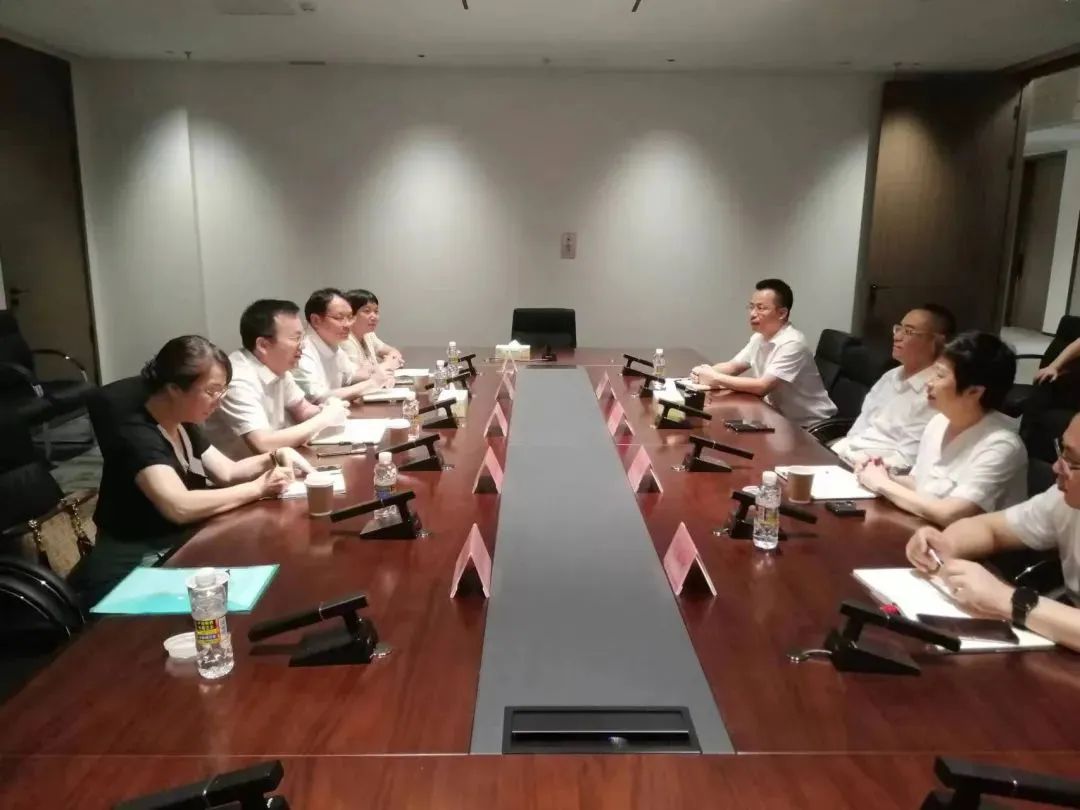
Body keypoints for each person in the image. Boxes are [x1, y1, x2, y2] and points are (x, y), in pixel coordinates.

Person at [69, 336, 312, 608]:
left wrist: (275, 456)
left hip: (174, 547)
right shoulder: (136, 435)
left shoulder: (181, 420)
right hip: (134, 571)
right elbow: (179, 506)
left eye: (222, 390)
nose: (218, 401)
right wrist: (258, 488)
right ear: (174, 388)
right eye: (211, 391)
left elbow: (227, 472)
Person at [904, 411, 1080, 652]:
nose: (1056, 467)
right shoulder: (1062, 501)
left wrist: (1007, 599)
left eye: (1071, 460)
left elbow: (1006, 599)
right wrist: (944, 544)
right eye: (1062, 451)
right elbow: (991, 529)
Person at [857, 331, 1027, 527]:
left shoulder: (1001, 446)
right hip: (923, 531)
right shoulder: (939, 421)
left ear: (974, 391)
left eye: (940, 375)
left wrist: (882, 484)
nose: (929, 383)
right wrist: (884, 475)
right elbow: (922, 486)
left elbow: (951, 514)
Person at [204, 299, 350, 459]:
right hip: (245, 471)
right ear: (263, 345)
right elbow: (263, 444)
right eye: (296, 338)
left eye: (302, 337)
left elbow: (302, 409)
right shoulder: (237, 379)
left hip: (279, 462)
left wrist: (328, 409)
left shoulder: (278, 367)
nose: (303, 345)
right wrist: (324, 419)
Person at [689, 278, 836, 425]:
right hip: (777, 417)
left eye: (761, 308)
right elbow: (733, 366)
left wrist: (715, 377)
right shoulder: (759, 337)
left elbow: (762, 386)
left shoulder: (793, 343)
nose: (753, 314)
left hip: (810, 426)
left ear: (782, 313)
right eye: (751, 307)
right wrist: (701, 373)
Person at [832, 305, 955, 471]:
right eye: (898, 329)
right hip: (846, 457)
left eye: (909, 332)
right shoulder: (891, 375)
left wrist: (863, 466)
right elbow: (859, 429)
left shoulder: (935, 392)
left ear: (937, 342)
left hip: (877, 472)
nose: (897, 337)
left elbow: (907, 460)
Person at [292, 288, 394, 402]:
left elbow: (351, 376)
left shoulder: (333, 345)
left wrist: (378, 373)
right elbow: (317, 397)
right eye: (339, 318)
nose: (348, 325)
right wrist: (372, 383)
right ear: (316, 320)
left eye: (350, 317)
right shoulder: (302, 351)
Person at [341, 288, 404, 372]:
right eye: (367, 311)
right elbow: (356, 374)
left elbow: (393, 351)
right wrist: (388, 364)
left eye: (376, 311)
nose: (374, 316)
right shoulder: (344, 339)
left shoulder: (368, 335)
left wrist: (393, 359)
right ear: (350, 314)